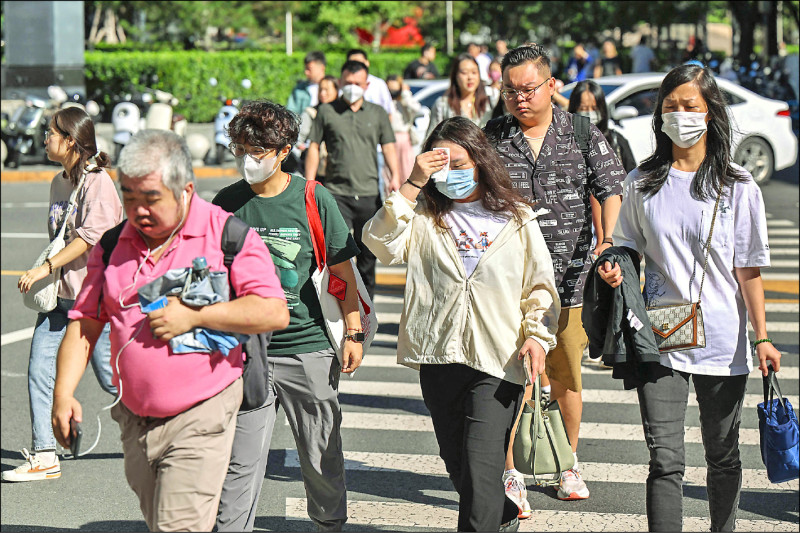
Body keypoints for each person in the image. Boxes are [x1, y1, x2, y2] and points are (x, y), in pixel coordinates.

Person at [51, 129, 289, 532]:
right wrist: (63, 394)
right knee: (159, 520)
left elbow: (273, 311)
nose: (138, 210)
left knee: (176, 526)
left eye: (151, 198)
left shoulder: (227, 235)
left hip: (203, 411)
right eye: (129, 197)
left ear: (185, 191)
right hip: (134, 419)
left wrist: (197, 316)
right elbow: (85, 324)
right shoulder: (112, 245)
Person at [600, 63, 781, 532]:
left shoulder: (737, 185)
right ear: (659, 115)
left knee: (723, 455)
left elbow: (748, 270)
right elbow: (626, 245)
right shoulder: (641, 182)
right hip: (661, 333)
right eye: (671, 106)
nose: (679, 115)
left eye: (690, 106)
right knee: (664, 460)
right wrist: (614, 266)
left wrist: (762, 337)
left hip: (722, 337)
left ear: (710, 113)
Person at [362, 116, 560, 532]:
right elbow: (378, 243)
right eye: (441, 164)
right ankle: (502, 513)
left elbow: (540, 287)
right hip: (438, 357)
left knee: (480, 461)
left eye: (459, 163)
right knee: (461, 467)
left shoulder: (516, 217)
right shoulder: (423, 216)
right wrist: (412, 184)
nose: (450, 172)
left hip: (499, 359)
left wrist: (538, 337)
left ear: (480, 161)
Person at [484, 44, 625, 506]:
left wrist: (607, 240)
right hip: (509, 284)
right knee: (510, 379)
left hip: (571, 280)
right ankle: (510, 471)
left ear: (550, 85)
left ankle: (566, 463)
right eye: (510, 91)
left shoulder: (581, 132)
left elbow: (611, 187)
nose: (519, 99)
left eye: (528, 89)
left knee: (565, 376)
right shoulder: (493, 135)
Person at [213, 100, 363, 532]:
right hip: (248, 354)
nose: (248, 159)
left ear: (283, 151)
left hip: (308, 350)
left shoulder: (313, 198)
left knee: (320, 456)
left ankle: (328, 525)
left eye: (258, 151)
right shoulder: (227, 202)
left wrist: (353, 332)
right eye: (241, 149)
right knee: (239, 462)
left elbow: (341, 273)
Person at [3, 107, 121, 483]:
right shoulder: (59, 182)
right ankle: (44, 454)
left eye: (51, 134)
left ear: (70, 141)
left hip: (95, 298)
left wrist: (45, 267)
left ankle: (172, 424)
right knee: (40, 368)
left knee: (114, 379)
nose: (45, 139)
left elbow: (91, 236)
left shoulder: (98, 182)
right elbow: (60, 234)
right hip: (61, 298)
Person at [305, 59, 399, 300]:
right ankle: (337, 303)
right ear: (339, 82)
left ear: (366, 85)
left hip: (369, 193)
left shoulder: (377, 113)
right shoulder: (327, 111)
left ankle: (367, 307)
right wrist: (309, 182)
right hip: (337, 193)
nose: (352, 87)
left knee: (367, 255)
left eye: (357, 83)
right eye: (348, 82)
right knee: (336, 253)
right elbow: (314, 146)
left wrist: (395, 176)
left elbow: (389, 146)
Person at [568, 80, 636, 252]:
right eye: (583, 108)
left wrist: (606, 239)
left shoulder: (616, 141)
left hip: (613, 232)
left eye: (594, 107)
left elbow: (629, 183)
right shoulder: (564, 144)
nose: (589, 113)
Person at [426, 53, 500, 138]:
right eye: (464, 73)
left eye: (474, 72)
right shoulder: (443, 105)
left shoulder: (490, 102)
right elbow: (431, 138)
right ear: (455, 75)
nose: (470, 77)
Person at [296, 75, 339, 182]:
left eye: (327, 90)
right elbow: (298, 138)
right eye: (320, 90)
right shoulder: (311, 113)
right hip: (315, 170)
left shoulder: (343, 115)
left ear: (336, 90)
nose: (322, 93)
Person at [386, 74, 422, 184]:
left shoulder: (404, 102)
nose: (393, 93)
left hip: (403, 138)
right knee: (389, 173)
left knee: (406, 170)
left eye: (395, 89)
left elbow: (416, 108)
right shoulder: (385, 102)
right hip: (388, 138)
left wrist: (405, 93)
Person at [287, 51, 327, 116]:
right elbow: (291, 112)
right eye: (305, 68)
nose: (306, 72)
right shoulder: (299, 89)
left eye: (309, 69)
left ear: (322, 68)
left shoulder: (333, 87)